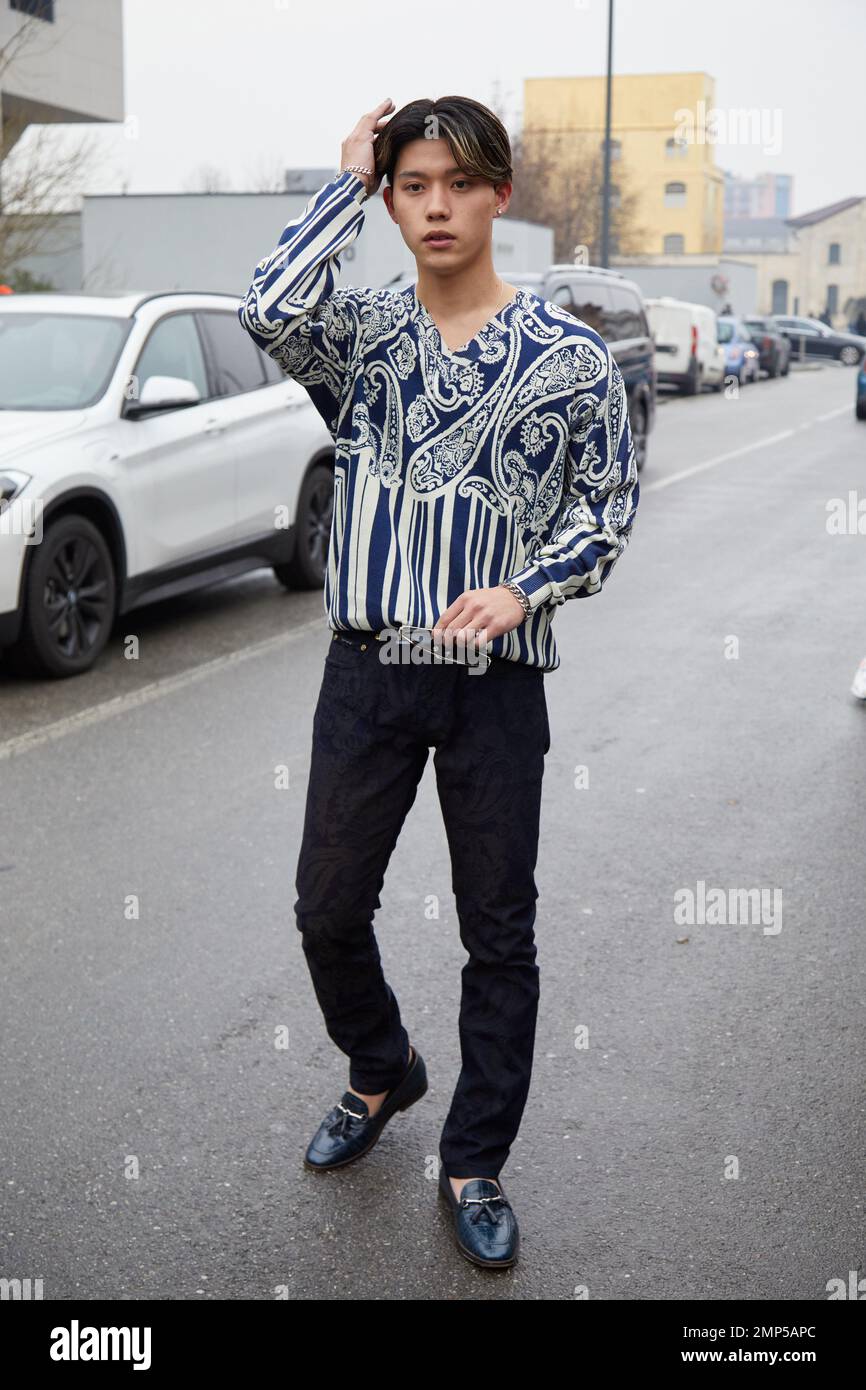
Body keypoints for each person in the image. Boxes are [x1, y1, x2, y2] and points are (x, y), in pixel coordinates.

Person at [237, 95, 639, 1269]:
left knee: (495, 931)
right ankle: (382, 1070)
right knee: (325, 907)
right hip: (369, 672)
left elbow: (603, 513)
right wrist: (345, 179)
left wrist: (524, 590)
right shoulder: (359, 338)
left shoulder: (565, 358)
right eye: (413, 184)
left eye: (459, 183)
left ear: (498, 195)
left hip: (492, 681)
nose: (435, 205)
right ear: (393, 197)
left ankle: (474, 1159)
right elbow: (268, 305)